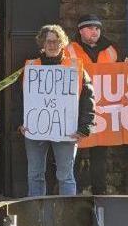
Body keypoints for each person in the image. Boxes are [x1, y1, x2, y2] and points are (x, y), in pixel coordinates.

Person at [15, 24, 96, 196]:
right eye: (48, 41)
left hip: (66, 131)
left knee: (66, 176)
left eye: (56, 41)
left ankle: (67, 218)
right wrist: (19, 123)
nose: (52, 45)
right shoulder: (31, 68)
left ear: (63, 43)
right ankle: (36, 217)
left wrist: (84, 128)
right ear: (42, 44)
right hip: (34, 130)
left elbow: (87, 100)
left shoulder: (75, 68)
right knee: (34, 175)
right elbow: (19, 99)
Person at [67, 13, 128, 194]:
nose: (95, 31)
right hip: (77, 109)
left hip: (103, 112)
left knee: (100, 155)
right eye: (90, 28)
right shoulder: (70, 49)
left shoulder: (112, 49)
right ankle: (72, 194)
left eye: (97, 28)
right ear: (81, 30)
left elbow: (122, 75)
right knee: (72, 154)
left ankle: (100, 193)